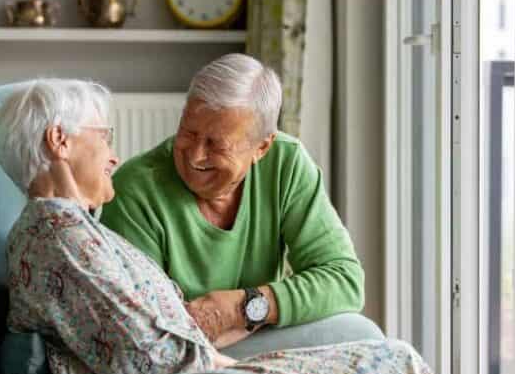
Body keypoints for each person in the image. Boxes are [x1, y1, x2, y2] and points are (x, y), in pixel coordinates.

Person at [0, 78, 469, 374]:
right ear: (60, 141)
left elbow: (146, 333)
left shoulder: (73, 230)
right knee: (394, 365)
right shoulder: (62, 238)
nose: (114, 154)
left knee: (390, 362)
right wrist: (235, 364)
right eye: (104, 137)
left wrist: (241, 317)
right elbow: (148, 359)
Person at [101, 54, 362, 349]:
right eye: (188, 132)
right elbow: (145, 332)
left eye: (216, 144)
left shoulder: (285, 164)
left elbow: (344, 280)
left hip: (258, 334)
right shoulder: (135, 188)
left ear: (261, 148)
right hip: (185, 356)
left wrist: (241, 308)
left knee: (361, 333)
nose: (195, 155)